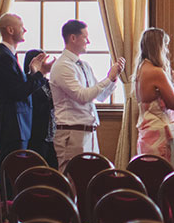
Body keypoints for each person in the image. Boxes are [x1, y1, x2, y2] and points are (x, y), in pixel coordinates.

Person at [48, 19, 125, 173]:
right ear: (73, 38)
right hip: (71, 133)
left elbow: (100, 96)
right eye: (85, 37)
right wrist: (108, 78)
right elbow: (82, 96)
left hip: (89, 132)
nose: (88, 41)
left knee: (91, 176)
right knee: (73, 177)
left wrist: (113, 78)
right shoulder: (62, 66)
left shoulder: (84, 65)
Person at [0, 14, 54, 180]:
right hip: (11, 125)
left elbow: (16, 87)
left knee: (14, 173)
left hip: (15, 125)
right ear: (10, 30)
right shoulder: (3, 57)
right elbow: (18, 92)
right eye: (21, 26)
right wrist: (41, 73)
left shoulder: (7, 56)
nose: (25, 29)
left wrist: (32, 73)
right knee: (12, 175)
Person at [135, 28, 174, 169]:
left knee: (148, 173)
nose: (166, 50)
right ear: (158, 47)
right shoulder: (156, 72)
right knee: (166, 175)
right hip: (161, 134)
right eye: (165, 46)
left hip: (148, 132)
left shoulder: (141, 69)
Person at [24, 49, 58, 168]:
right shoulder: (28, 82)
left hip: (52, 133)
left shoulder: (48, 82)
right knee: (37, 167)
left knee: (54, 167)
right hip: (37, 133)